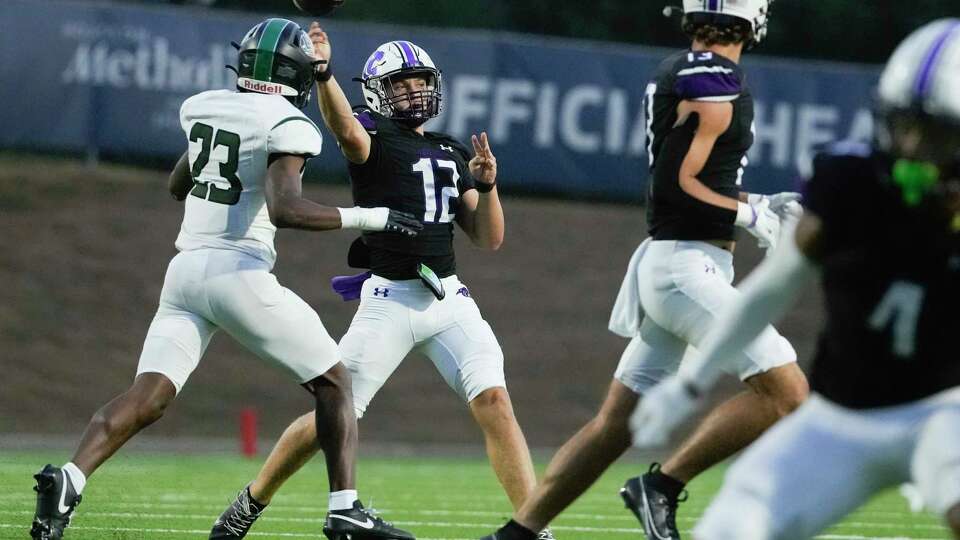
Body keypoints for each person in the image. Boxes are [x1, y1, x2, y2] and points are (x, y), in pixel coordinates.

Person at [30, 18, 418, 540]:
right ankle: (345, 508)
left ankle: (70, 479)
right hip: (238, 270)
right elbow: (285, 210)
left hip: (185, 272)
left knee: (148, 397)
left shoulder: (206, 106)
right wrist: (370, 216)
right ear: (296, 73)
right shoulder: (288, 122)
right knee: (334, 381)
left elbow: (177, 184)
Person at [206, 24, 555, 540]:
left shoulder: (450, 150)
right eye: (401, 83)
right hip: (389, 300)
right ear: (376, 92)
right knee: (334, 413)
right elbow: (345, 128)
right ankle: (250, 501)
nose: (414, 90)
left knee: (496, 403)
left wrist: (487, 184)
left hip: (450, 299)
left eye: (420, 81)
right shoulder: (374, 139)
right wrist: (323, 74)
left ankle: (533, 530)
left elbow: (487, 238)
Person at [480, 2, 809, 539]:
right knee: (788, 393)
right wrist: (749, 214)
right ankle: (663, 486)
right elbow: (681, 185)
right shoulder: (718, 79)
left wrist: (757, 202)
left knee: (617, 424)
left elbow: (696, 178)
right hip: (686, 270)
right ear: (751, 17)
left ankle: (517, 533)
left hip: (676, 264)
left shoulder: (680, 70)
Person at [630, 17, 960, 540]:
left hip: (947, 411)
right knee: (730, 527)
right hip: (839, 417)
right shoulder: (851, 180)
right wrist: (692, 383)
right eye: (905, 125)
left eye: (938, 135)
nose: (914, 147)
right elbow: (774, 286)